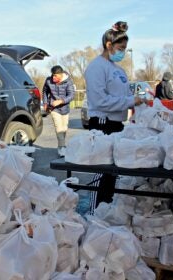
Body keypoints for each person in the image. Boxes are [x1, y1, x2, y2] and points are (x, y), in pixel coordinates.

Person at [84, 21, 144, 214]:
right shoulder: (96, 67)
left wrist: (137, 100)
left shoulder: (119, 69)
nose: (123, 52)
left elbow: (125, 95)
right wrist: (129, 101)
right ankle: (95, 212)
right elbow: (100, 101)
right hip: (102, 122)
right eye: (120, 48)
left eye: (125, 49)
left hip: (117, 124)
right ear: (109, 45)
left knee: (113, 172)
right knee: (102, 170)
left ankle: (108, 210)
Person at [42, 65, 75, 157]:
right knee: (58, 128)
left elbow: (72, 95)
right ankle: (62, 147)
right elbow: (45, 91)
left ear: (61, 75)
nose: (53, 77)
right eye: (52, 75)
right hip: (54, 108)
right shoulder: (48, 80)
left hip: (65, 109)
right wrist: (45, 103)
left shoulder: (68, 82)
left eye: (55, 76)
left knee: (64, 129)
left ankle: (61, 146)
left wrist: (61, 101)